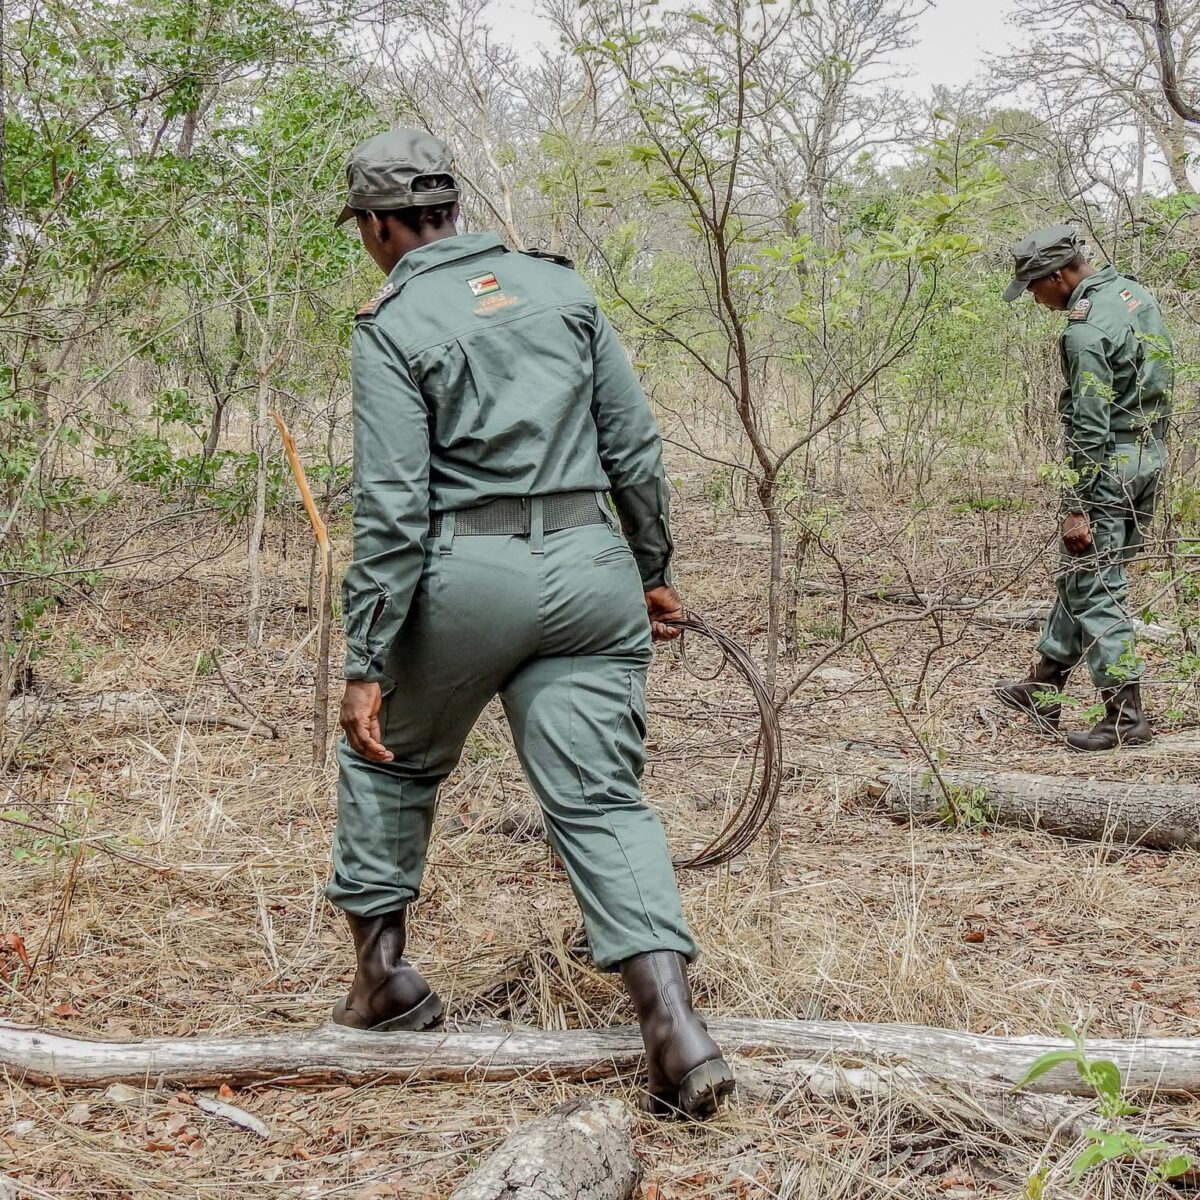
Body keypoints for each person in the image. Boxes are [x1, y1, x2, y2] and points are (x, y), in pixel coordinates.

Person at [324, 128, 734, 1119]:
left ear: (382, 226)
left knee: (387, 759)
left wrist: (367, 656)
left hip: (466, 576)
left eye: (365, 231)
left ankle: (384, 983)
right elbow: (634, 445)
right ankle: (675, 1029)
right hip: (592, 567)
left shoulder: (394, 325)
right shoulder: (562, 290)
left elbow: (392, 505)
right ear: (453, 209)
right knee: (599, 796)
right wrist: (653, 570)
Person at [995, 225, 1172, 751]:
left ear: (1057, 276)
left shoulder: (1084, 330)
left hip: (1108, 467)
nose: (1032, 297)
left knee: (1098, 585)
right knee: (1083, 571)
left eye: (1033, 286)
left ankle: (1125, 716)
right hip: (1146, 455)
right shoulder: (1133, 295)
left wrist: (1077, 507)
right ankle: (1044, 682)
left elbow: (1089, 425)